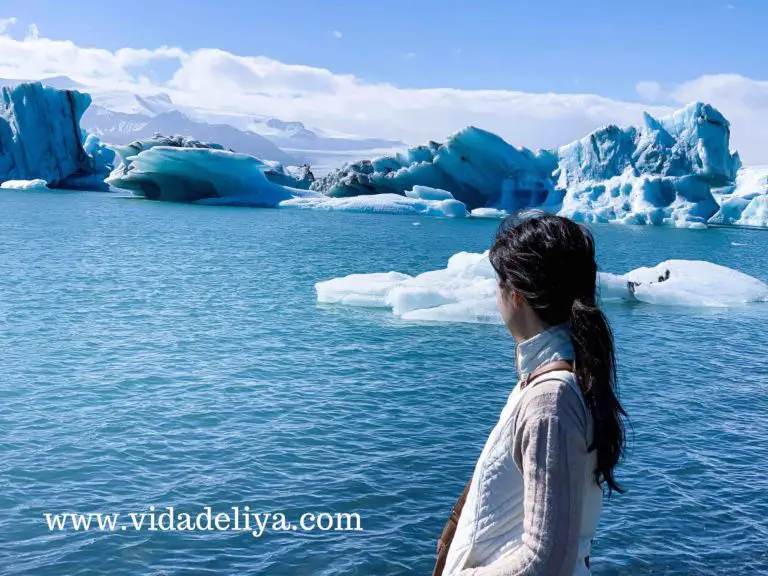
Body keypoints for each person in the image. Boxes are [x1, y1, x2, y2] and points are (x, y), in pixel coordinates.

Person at [438, 213, 627, 576]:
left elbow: (545, 561)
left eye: (498, 283)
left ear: (517, 294)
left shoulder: (550, 400)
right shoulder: (546, 382)